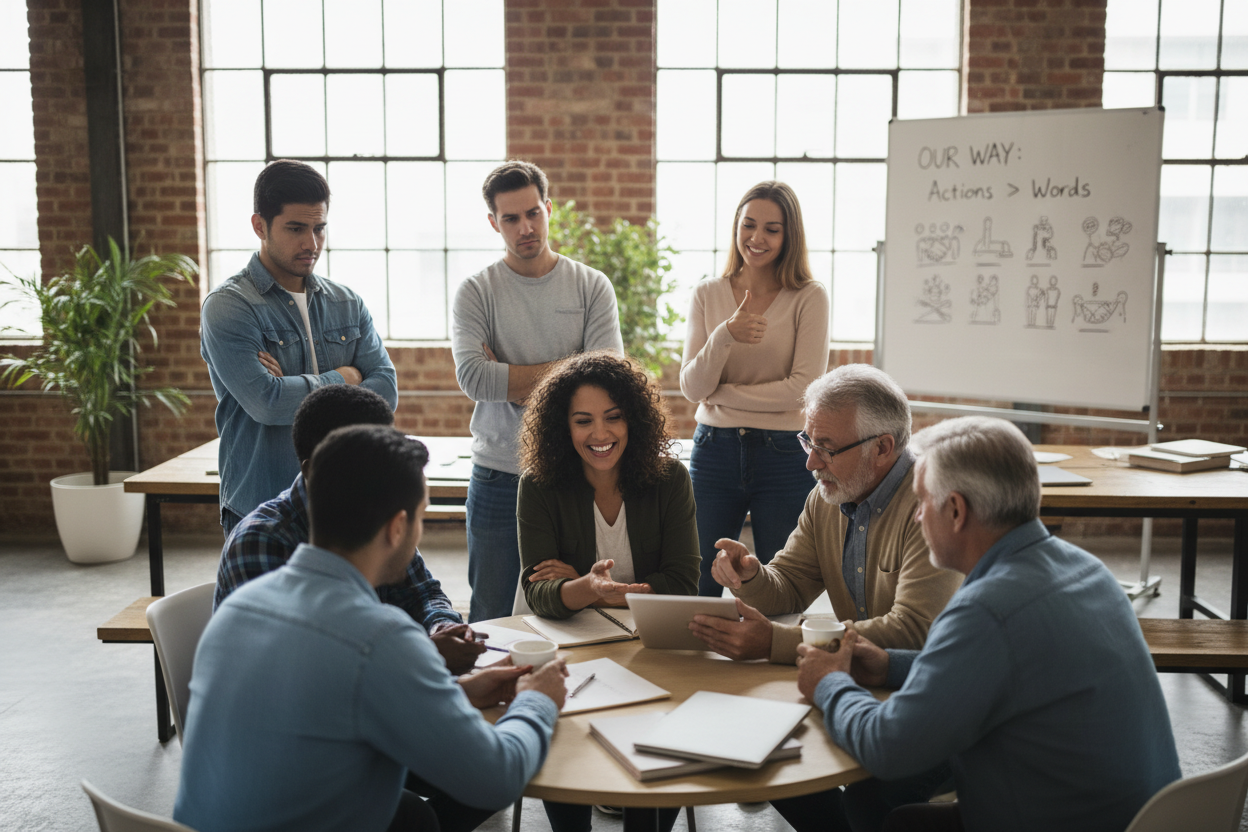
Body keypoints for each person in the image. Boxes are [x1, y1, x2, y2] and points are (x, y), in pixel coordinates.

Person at [794, 416, 1181, 832]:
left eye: (922, 502)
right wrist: (890, 664)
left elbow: (887, 751)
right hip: (1144, 816)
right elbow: (1003, 670)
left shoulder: (986, 611)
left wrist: (830, 683)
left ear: (957, 510)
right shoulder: (1086, 569)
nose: (919, 516)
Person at [174, 425, 568, 832]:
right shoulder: (380, 639)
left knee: (413, 816)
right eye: (421, 517)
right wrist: (537, 700)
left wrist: (459, 692)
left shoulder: (238, 607)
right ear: (397, 528)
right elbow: (496, 780)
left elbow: (328, 701)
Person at [516, 352, 696, 832]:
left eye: (614, 417)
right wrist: (579, 590)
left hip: (652, 645)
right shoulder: (539, 485)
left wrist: (587, 589)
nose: (601, 434)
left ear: (633, 419)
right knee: (561, 732)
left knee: (662, 737)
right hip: (572, 644)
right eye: (584, 421)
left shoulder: (671, 480)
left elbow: (684, 584)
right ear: (563, 427)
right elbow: (539, 594)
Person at [689, 364, 962, 665]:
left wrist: (775, 642)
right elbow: (791, 586)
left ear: (882, 448)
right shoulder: (827, 497)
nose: (811, 463)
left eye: (826, 449)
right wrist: (751, 576)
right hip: (855, 675)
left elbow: (914, 631)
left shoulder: (932, 507)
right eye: (808, 442)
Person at [452, 160, 623, 622]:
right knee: (490, 612)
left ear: (548, 209)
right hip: (497, 475)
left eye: (533, 213)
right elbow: (474, 379)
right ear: (494, 222)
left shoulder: (591, 286)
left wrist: (508, 375)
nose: (525, 227)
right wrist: (572, 369)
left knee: (573, 611)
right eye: (511, 218)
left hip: (573, 474)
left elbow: (606, 377)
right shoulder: (476, 292)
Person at [214, 384, 484, 674]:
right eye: (366, 464)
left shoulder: (377, 511)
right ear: (312, 469)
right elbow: (306, 666)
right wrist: (424, 654)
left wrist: (441, 625)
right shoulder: (260, 541)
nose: (385, 476)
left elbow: (421, 591)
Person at [200, 159, 397, 535]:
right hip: (261, 510)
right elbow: (267, 403)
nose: (312, 244)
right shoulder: (229, 306)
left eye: (319, 228)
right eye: (296, 229)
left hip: (342, 501)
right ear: (260, 225)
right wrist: (345, 377)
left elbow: (385, 394)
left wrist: (295, 385)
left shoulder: (347, 302)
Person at [680, 181, 830, 596]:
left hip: (784, 456)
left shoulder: (809, 297)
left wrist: (722, 394)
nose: (756, 238)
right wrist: (725, 335)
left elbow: (802, 391)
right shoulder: (708, 294)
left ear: (789, 236)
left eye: (771, 229)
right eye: (748, 225)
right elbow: (693, 386)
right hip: (715, 450)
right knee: (698, 579)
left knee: (782, 583)